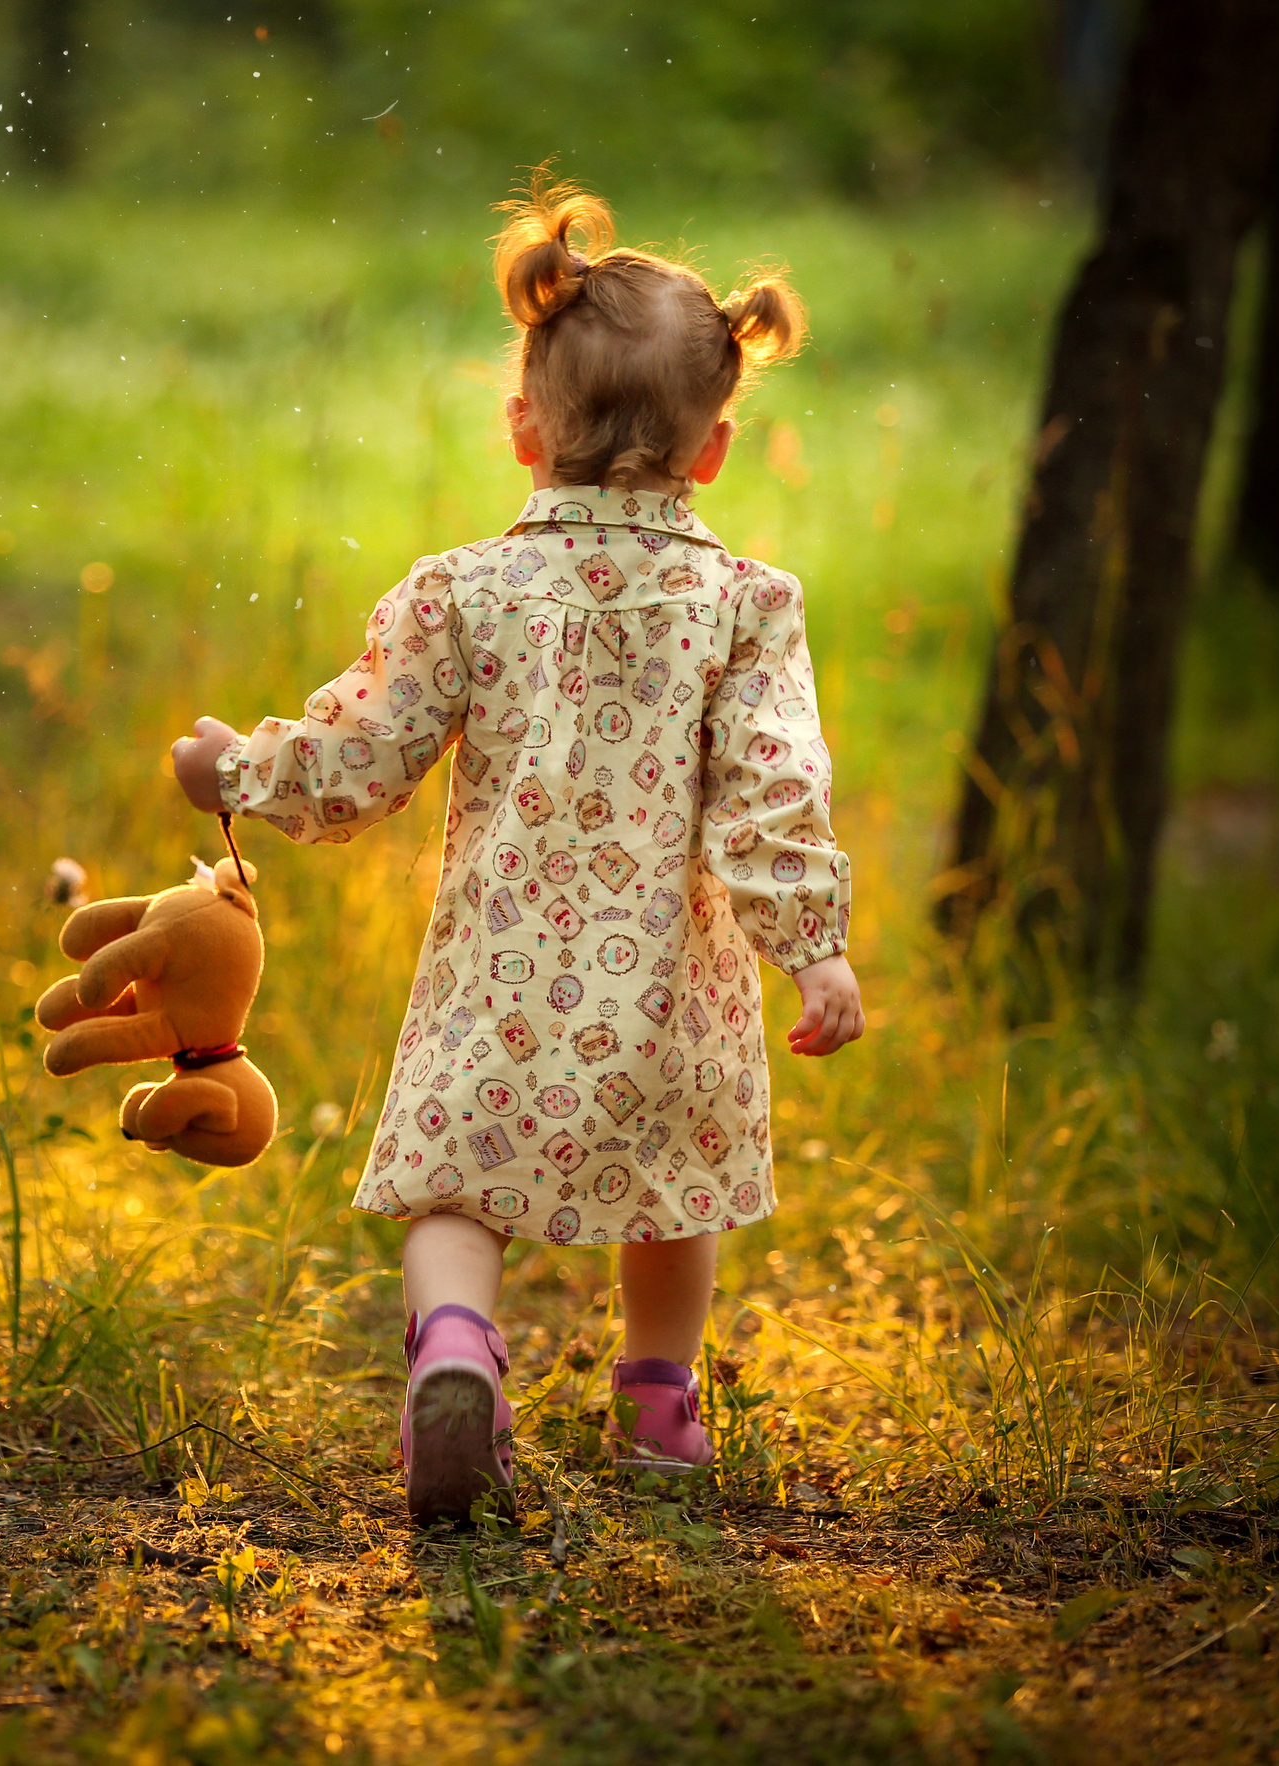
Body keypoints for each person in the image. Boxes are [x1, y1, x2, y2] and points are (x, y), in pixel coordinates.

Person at [170, 174, 864, 1523]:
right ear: (713, 450)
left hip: (496, 972)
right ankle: (658, 1401)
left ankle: (453, 1352)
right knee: (676, 1190)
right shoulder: (745, 607)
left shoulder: (465, 590)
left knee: (452, 1180)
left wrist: (236, 767)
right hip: (673, 982)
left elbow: (359, 758)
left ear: (521, 432)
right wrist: (814, 951)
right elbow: (769, 791)